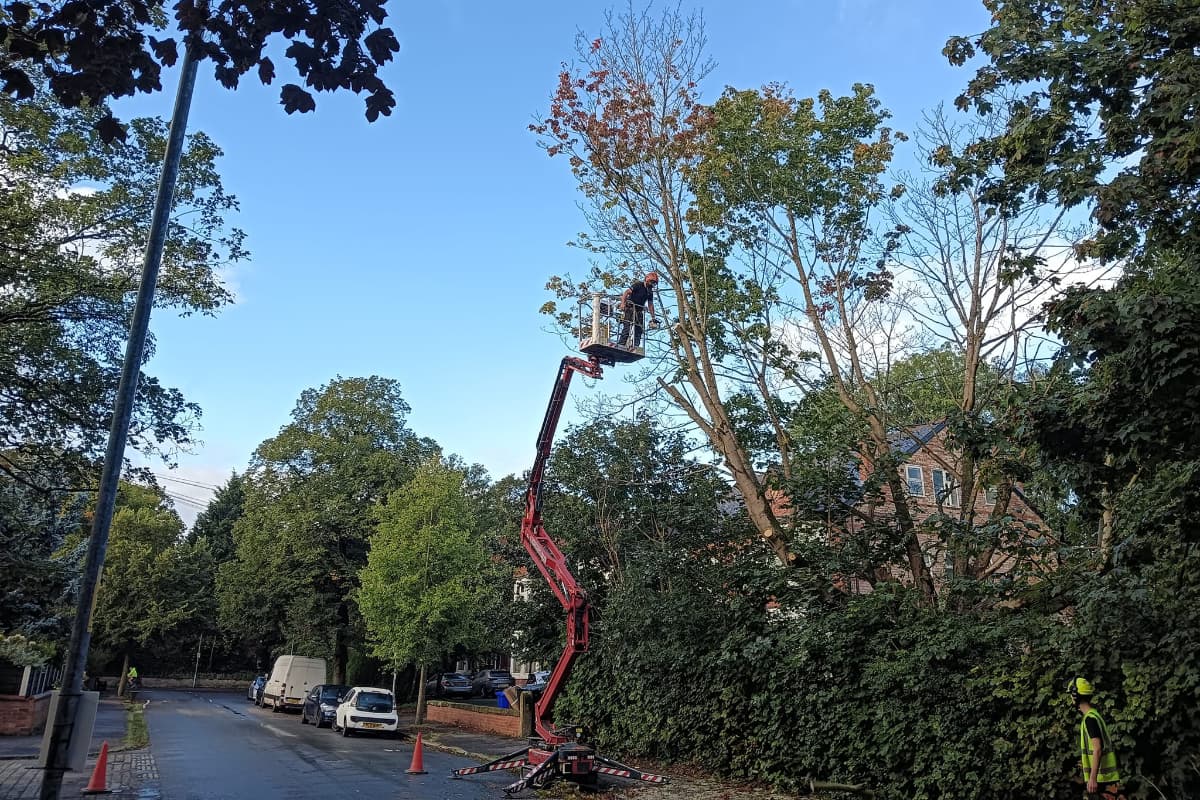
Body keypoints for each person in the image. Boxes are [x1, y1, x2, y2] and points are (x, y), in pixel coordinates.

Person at [1068, 677, 1126, 799]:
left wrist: (1092, 778)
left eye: (1071, 695)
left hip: (1101, 779)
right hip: (1104, 778)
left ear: (1075, 695)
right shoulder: (1094, 715)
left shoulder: (1090, 719)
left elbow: (1097, 748)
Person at [616, 272, 659, 348]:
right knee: (627, 327)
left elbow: (650, 304)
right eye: (652, 282)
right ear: (647, 280)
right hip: (630, 308)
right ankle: (621, 344)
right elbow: (626, 292)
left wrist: (653, 318)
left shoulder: (650, 292)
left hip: (639, 311)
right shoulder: (638, 285)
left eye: (654, 283)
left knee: (639, 329)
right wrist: (623, 303)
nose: (652, 284)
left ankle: (635, 346)